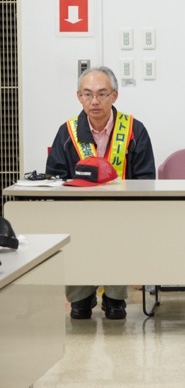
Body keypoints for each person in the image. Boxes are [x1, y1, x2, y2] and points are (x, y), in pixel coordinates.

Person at [46, 66, 156, 320]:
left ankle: (115, 297)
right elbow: (54, 177)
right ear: (78, 96)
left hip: (122, 213)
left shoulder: (134, 130)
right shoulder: (67, 132)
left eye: (102, 94)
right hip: (78, 213)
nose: (94, 101)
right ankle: (80, 296)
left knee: (118, 231)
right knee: (75, 235)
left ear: (115, 96)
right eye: (87, 94)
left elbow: (146, 179)